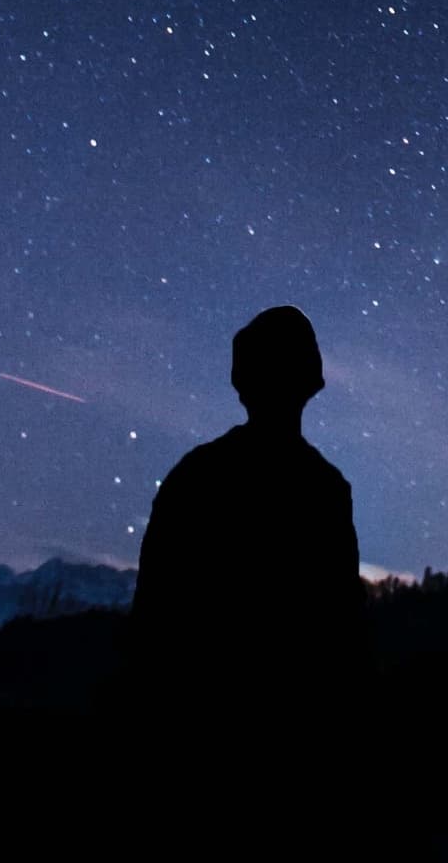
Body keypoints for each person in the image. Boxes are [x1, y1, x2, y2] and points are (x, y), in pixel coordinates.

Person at [130, 305, 364, 715]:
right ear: (310, 381)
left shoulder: (196, 475)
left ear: (243, 382)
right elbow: (344, 633)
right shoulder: (324, 488)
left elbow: (153, 618)